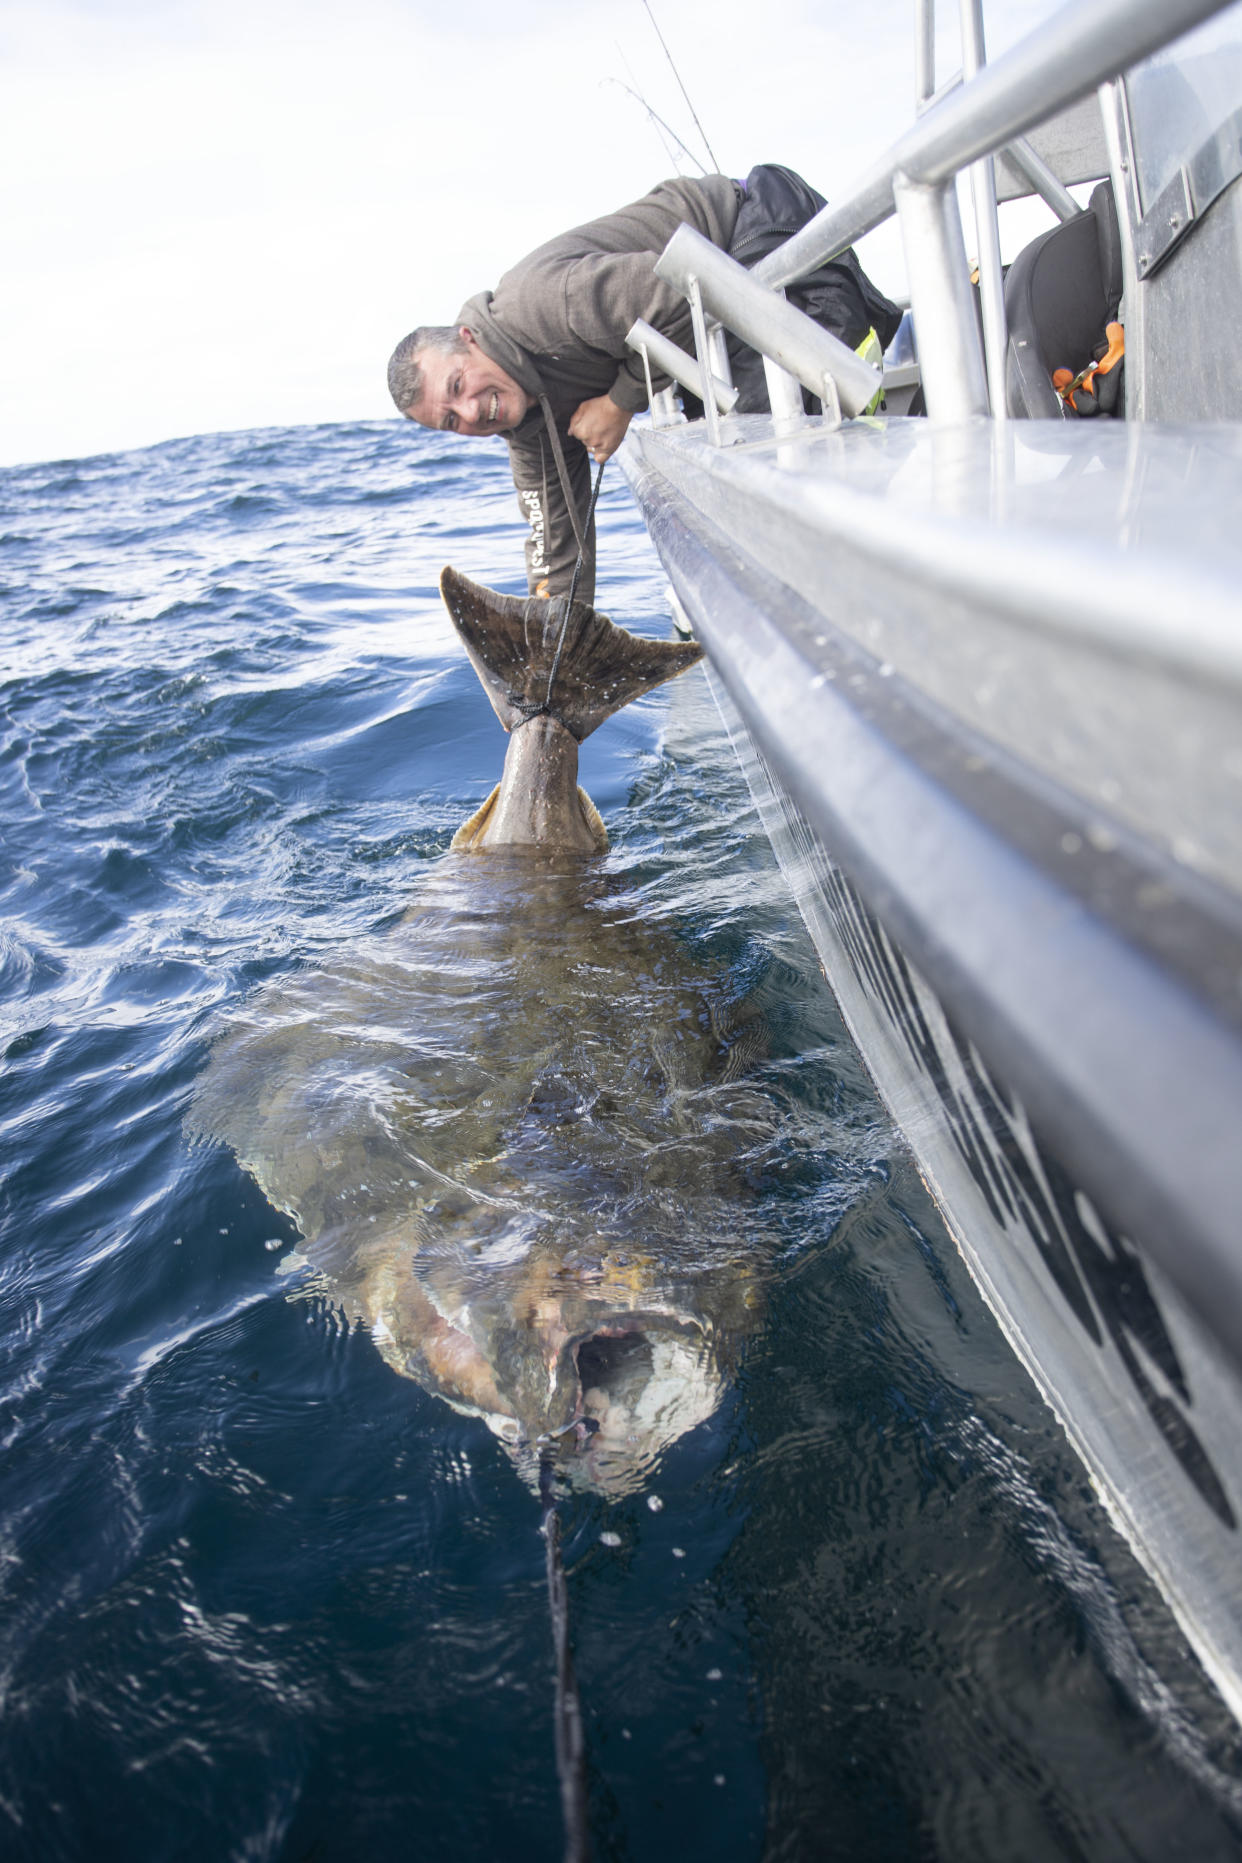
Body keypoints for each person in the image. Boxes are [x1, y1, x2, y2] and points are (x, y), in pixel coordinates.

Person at [387, 165, 900, 606]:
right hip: (701, 316)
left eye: (457, 385)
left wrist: (620, 402)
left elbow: (683, 292)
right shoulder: (524, 426)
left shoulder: (541, 304)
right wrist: (549, 674)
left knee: (774, 437)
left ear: (470, 339)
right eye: (451, 420)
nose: (471, 412)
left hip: (749, 228)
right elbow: (556, 553)